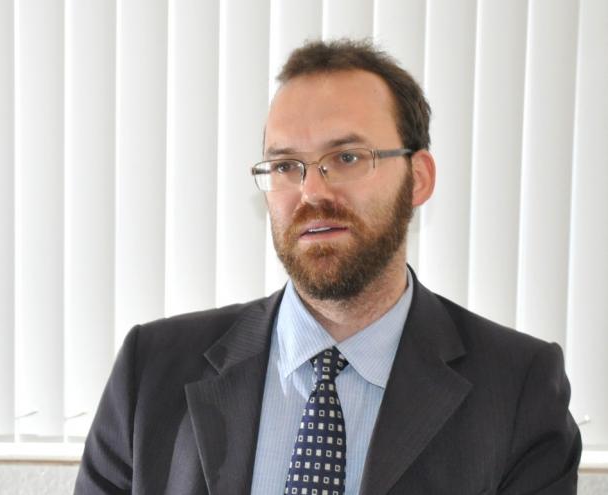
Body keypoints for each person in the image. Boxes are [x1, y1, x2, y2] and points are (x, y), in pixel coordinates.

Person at [75, 39, 581, 495]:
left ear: (419, 178)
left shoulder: (518, 387)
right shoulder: (152, 370)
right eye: (285, 166)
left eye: (347, 158)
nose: (312, 192)